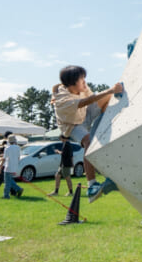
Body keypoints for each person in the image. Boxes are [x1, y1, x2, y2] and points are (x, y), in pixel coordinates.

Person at [52, 65, 123, 202]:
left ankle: (104, 130)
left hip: (84, 113)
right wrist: (111, 89)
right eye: (81, 80)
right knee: (88, 142)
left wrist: (111, 94)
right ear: (72, 84)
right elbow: (84, 101)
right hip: (72, 125)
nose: (85, 82)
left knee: (107, 98)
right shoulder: (62, 99)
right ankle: (91, 185)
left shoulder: (75, 87)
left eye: (85, 78)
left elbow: (57, 86)